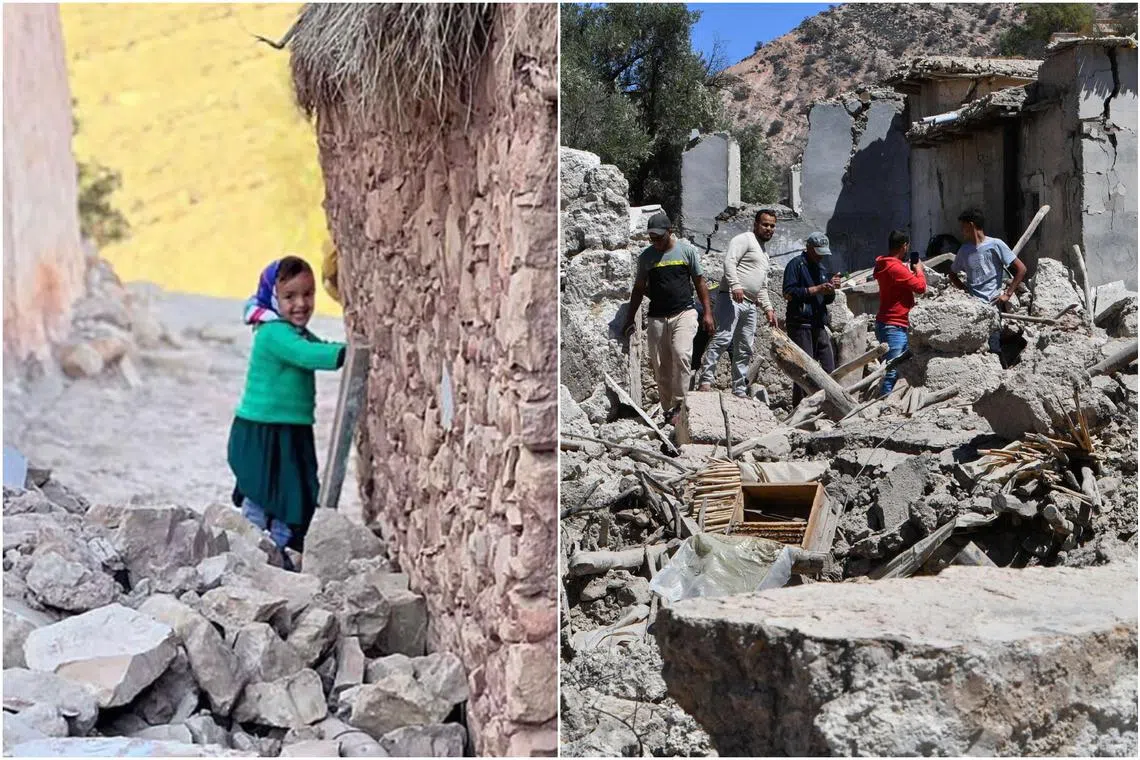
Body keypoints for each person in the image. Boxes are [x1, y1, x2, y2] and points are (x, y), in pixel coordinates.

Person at [228, 256, 346, 570]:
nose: (301, 304)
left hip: (289, 430)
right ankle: (253, 555)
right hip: (263, 431)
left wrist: (342, 348)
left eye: (308, 294)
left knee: (292, 493)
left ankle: (278, 555)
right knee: (265, 494)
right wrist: (349, 353)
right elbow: (308, 355)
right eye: (290, 296)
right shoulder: (272, 333)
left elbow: (317, 345)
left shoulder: (294, 332)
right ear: (272, 297)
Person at [622, 211, 714, 424]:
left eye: (659, 238)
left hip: (684, 312)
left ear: (670, 232)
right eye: (651, 238)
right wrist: (629, 319)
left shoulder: (687, 252)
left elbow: (700, 282)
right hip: (657, 317)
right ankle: (668, 409)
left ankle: (680, 405)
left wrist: (707, 313)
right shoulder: (646, 258)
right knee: (661, 365)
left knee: (682, 354)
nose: (655, 242)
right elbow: (638, 289)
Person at [697, 209, 779, 397]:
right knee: (723, 338)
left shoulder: (764, 254)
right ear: (756, 224)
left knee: (745, 347)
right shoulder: (745, 239)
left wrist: (768, 309)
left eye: (772, 226)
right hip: (731, 298)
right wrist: (735, 285)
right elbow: (729, 263)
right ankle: (706, 380)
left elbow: (763, 286)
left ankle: (739, 388)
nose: (769, 229)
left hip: (751, 304)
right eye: (765, 224)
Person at [782, 232, 842, 406]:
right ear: (808, 248)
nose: (821, 256)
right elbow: (789, 293)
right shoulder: (796, 265)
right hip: (800, 324)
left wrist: (831, 290)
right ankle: (799, 407)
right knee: (803, 370)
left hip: (818, 324)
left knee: (828, 367)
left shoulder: (821, 269)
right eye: (818, 251)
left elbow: (826, 300)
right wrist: (816, 289)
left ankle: (830, 405)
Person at [873, 230, 926, 396]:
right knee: (892, 369)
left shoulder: (884, 264)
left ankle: (889, 401)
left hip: (891, 323)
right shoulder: (895, 267)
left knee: (896, 367)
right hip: (894, 325)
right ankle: (884, 405)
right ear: (904, 246)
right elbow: (921, 287)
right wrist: (919, 269)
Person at [949, 208, 1027, 307]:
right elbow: (952, 274)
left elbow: (1021, 269)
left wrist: (1007, 294)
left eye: (963, 226)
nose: (961, 231)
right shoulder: (964, 250)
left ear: (971, 225)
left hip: (993, 305)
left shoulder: (995, 244)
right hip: (974, 306)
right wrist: (965, 291)